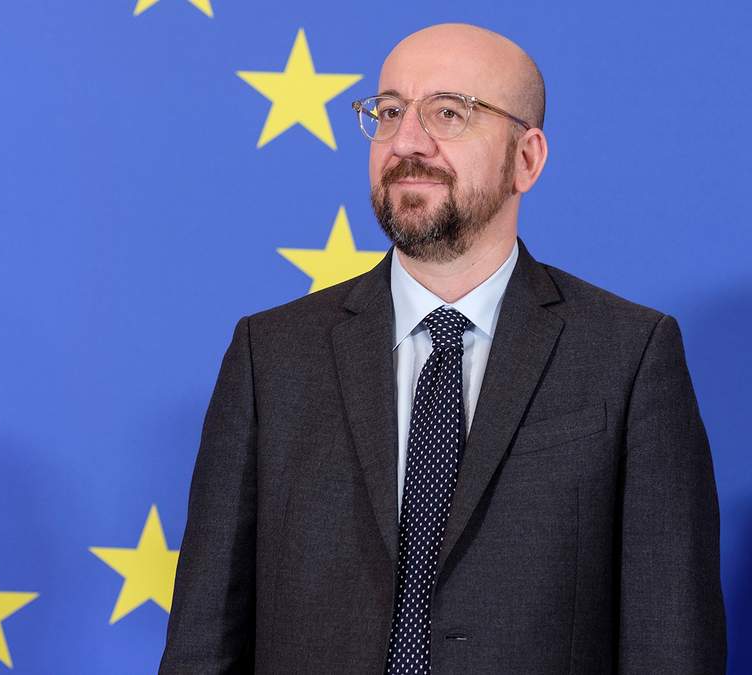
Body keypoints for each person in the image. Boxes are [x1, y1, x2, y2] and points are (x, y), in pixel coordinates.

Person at [159, 23, 726, 674]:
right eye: (389, 112)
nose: (406, 142)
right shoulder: (271, 355)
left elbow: (670, 643)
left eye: (449, 113)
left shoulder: (630, 355)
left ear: (527, 159)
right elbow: (203, 645)